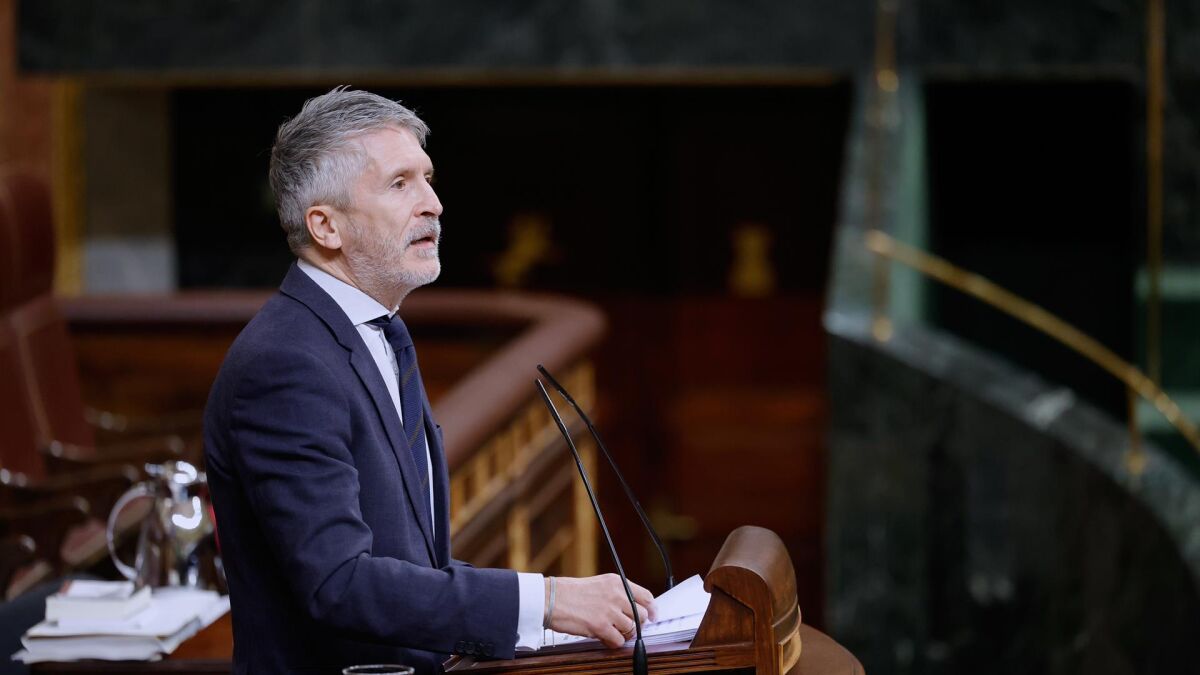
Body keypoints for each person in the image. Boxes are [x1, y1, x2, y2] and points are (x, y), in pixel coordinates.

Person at [203, 87, 655, 674]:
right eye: (400, 184)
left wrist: (545, 608)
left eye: (428, 178)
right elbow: (339, 583)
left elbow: (412, 567)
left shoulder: (381, 333)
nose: (434, 204)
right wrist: (545, 601)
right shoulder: (286, 364)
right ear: (326, 226)